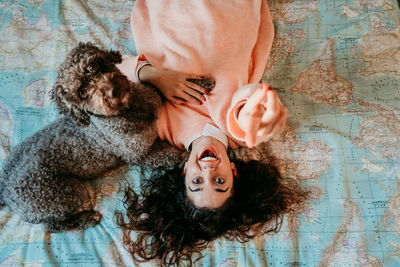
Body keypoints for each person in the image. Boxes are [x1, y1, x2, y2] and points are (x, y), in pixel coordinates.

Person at [115, 0, 308, 265]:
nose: (208, 171)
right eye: (220, 183)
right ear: (234, 171)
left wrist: (152, 75)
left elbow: (113, 73)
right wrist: (262, 111)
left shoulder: (161, 127)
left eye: (197, 182)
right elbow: (247, 101)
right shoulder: (239, 131)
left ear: (184, 174)